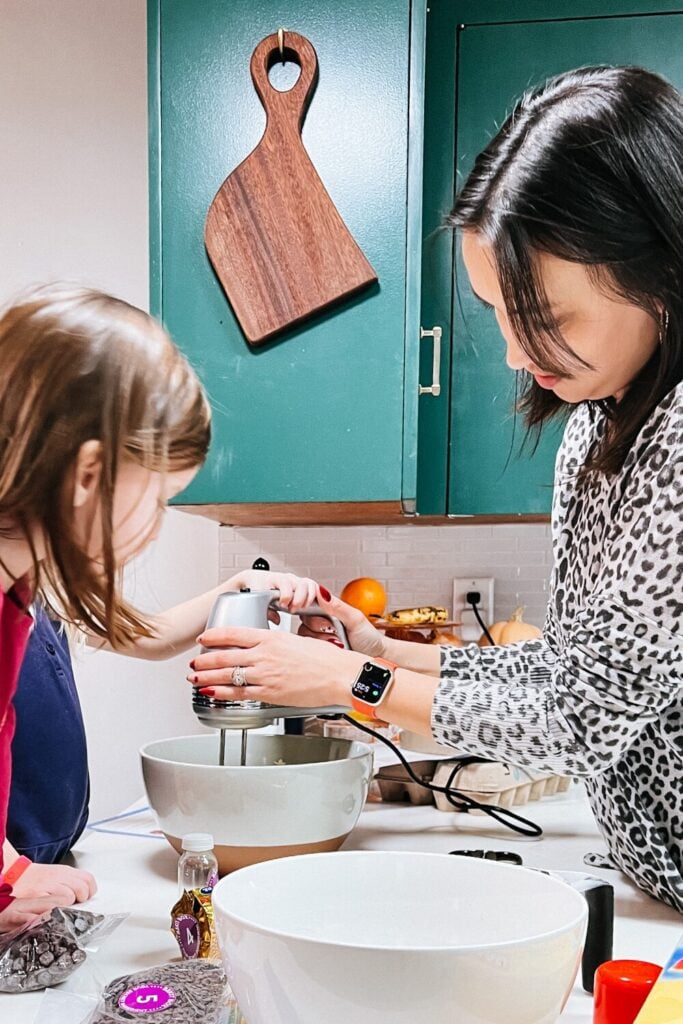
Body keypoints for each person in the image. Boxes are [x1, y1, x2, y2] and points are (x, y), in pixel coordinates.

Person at [189, 66, 683, 911]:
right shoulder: (593, 427)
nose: (514, 355)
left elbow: (580, 725)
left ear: (661, 265)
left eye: (547, 318)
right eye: (497, 311)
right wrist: (380, 651)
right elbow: (569, 668)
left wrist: (349, 684)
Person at [0, 283, 214, 932]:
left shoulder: (18, 584)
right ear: (88, 474)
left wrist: (8, 869)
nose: (155, 525)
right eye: (158, 500)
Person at [4, 569, 317, 891]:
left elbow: (149, 636)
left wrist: (239, 584)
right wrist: (11, 869)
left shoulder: (44, 593)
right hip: (12, 869)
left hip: (47, 856)